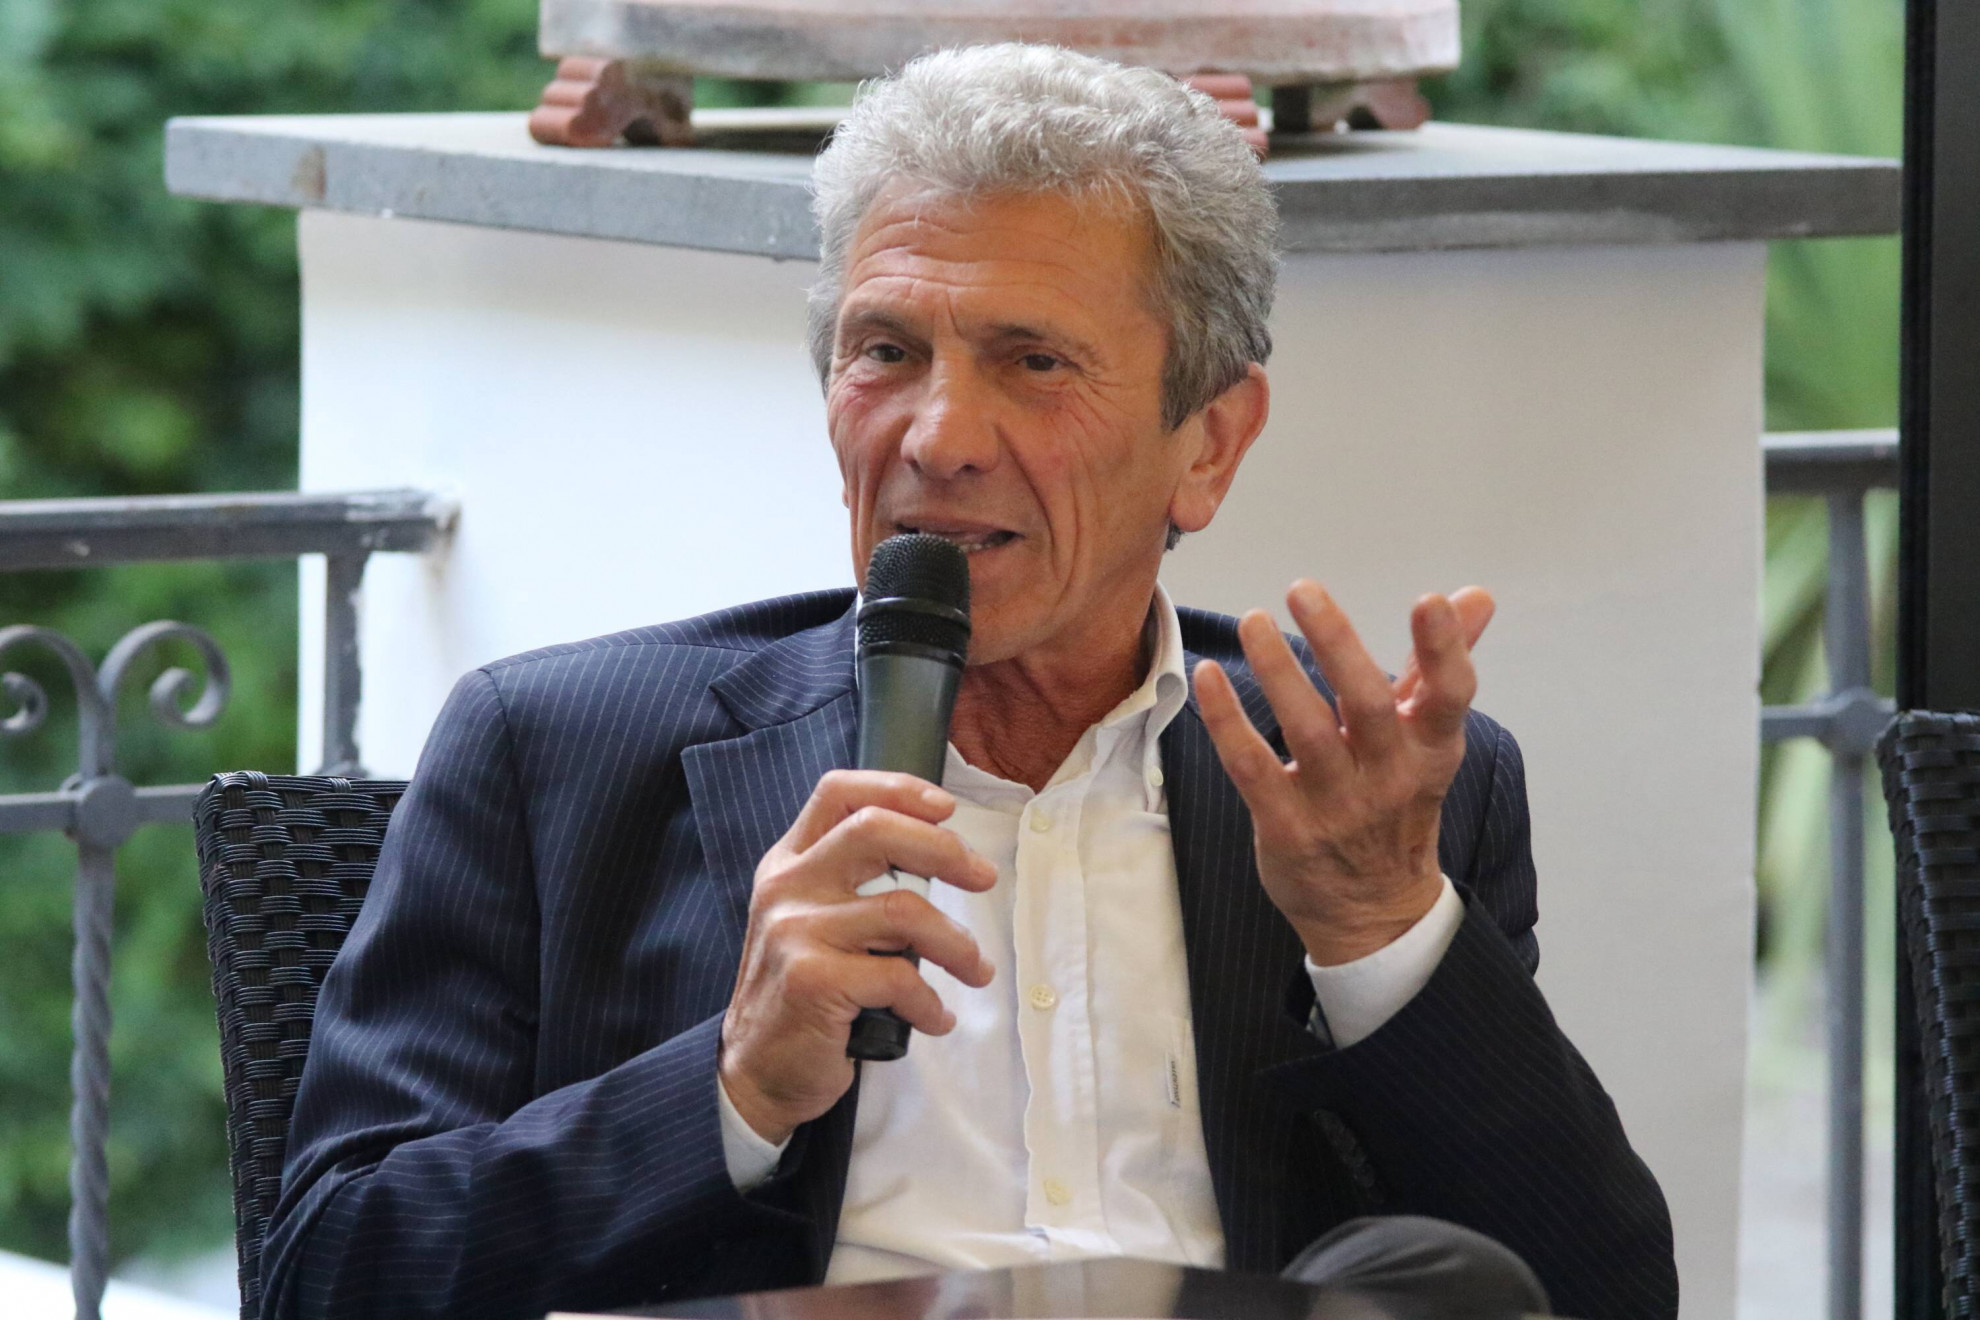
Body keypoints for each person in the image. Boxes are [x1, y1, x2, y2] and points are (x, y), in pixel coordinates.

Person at [262, 43, 1677, 1320]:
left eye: (1034, 362)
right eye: (887, 352)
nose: (939, 437)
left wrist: (1380, 935)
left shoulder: (1363, 795)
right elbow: (330, 1274)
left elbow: (1595, 1293)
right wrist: (731, 1086)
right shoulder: (556, 754)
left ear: (1209, 443)